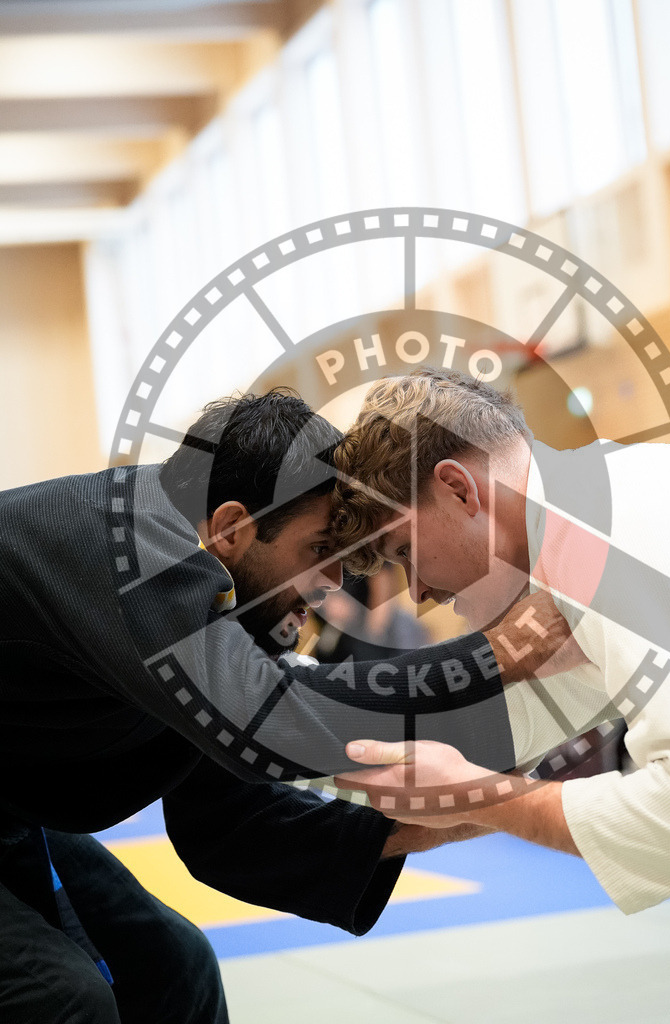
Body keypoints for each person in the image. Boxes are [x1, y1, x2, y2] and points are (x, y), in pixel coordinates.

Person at [0, 387, 580, 1024]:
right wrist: (496, 654)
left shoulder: (209, 609)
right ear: (230, 528)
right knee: (59, 1000)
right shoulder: (129, 554)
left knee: (174, 967)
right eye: (317, 552)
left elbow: (228, 824)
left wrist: (495, 804)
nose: (333, 584)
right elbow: (274, 724)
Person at [331, 367, 670, 1024]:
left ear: (456, 488)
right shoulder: (583, 518)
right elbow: (528, 723)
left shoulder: (619, 532)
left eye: (403, 552)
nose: (415, 591)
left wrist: (481, 796)